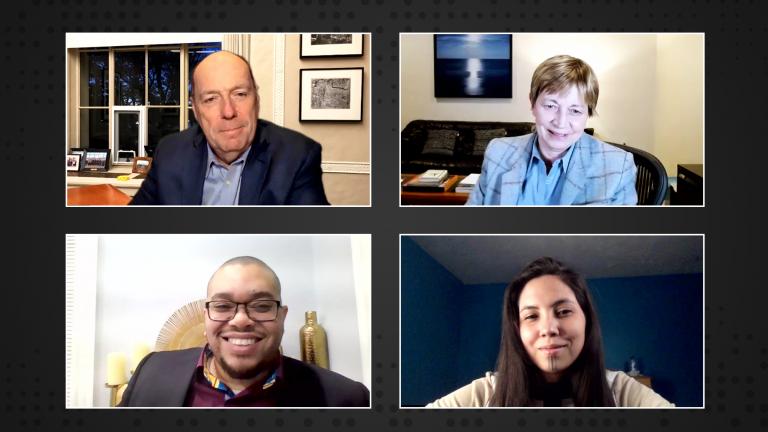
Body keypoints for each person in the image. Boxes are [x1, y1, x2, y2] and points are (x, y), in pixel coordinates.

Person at [119, 256, 369, 407]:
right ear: (206, 316)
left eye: (261, 306)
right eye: (223, 306)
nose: (240, 320)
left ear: (282, 317)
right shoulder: (151, 372)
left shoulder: (346, 398)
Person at [427, 257, 672, 407]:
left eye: (564, 312)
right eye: (532, 316)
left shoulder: (622, 391)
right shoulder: (485, 394)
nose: (548, 329)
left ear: (586, 319)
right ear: (518, 330)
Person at [130, 51, 329, 205]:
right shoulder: (169, 152)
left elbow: (313, 243)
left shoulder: (297, 156)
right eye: (211, 99)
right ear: (196, 110)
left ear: (256, 100)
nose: (228, 111)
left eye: (240, 94)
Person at [467, 55, 637, 205]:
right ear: (533, 104)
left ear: (588, 113)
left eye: (575, 110)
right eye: (550, 106)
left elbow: (619, 240)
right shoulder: (498, 152)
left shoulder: (618, 166)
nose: (561, 122)